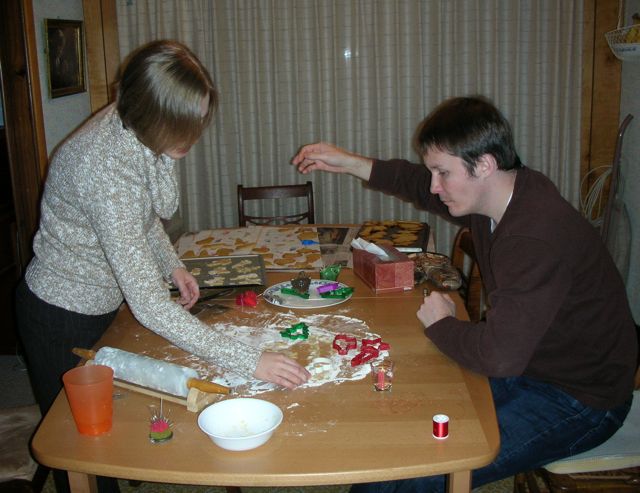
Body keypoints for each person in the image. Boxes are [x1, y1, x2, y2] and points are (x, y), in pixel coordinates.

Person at [292, 96, 638, 492]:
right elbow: (415, 183)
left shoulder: (532, 235)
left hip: (581, 399)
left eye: (442, 173)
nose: (435, 187)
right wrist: (350, 162)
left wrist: (442, 324)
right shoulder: (503, 191)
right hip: (532, 364)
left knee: (405, 479)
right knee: (399, 426)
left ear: (485, 164)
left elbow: (498, 355)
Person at [16, 40, 310, 492]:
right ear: (152, 116)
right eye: (183, 130)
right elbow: (150, 308)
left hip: (100, 305)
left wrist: (171, 264)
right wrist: (250, 359)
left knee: (109, 436)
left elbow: (142, 215)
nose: (192, 141)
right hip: (59, 313)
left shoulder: (131, 127)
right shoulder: (104, 170)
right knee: (81, 452)